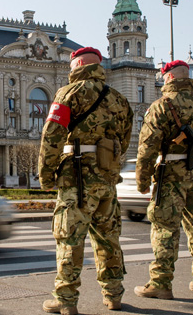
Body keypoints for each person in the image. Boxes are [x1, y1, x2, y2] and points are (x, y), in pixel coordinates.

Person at [38, 47, 133, 315]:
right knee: (108, 238)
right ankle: (114, 295)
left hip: (76, 178)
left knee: (70, 237)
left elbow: (52, 136)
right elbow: (123, 141)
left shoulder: (68, 93)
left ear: (77, 65)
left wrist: (46, 175)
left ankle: (66, 300)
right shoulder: (119, 99)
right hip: (107, 177)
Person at [134, 59, 193, 299]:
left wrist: (142, 181)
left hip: (171, 174)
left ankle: (161, 282)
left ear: (169, 78)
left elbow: (147, 148)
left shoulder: (162, 106)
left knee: (165, 228)